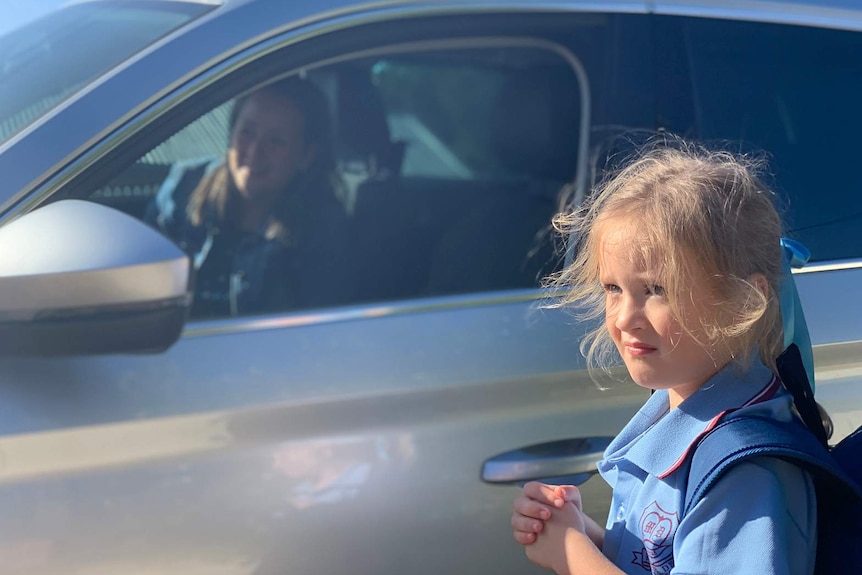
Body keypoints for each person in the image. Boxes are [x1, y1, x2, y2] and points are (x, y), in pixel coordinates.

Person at [510, 142, 817, 574]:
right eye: (613, 289)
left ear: (743, 299)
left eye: (657, 290)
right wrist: (583, 534)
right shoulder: (679, 420)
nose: (624, 318)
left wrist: (573, 555)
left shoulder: (742, 474)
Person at [146, 76, 350, 318]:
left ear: (306, 155)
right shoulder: (183, 188)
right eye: (247, 132)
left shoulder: (323, 230)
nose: (254, 151)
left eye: (276, 141)